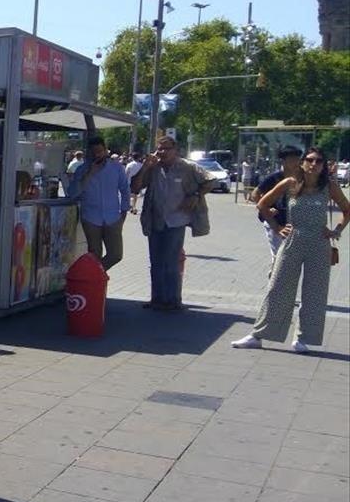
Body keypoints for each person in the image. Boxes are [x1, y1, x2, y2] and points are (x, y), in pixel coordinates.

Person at [233, 148, 350, 352]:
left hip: (318, 244)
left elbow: (347, 209)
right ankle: (258, 335)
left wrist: (337, 230)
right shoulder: (290, 183)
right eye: (310, 160)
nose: (314, 164)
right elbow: (262, 203)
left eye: (319, 161)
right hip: (292, 241)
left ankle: (303, 338)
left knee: (315, 293)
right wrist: (278, 227)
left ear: (324, 165)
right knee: (278, 288)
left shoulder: (329, 186)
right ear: (302, 163)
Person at [130, 136, 215, 311]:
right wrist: (145, 167)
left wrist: (196, 195)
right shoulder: (153, 168)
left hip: (176, 221)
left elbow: (212, 180)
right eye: (159, 149)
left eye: (166, 149)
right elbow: (135, 187)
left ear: (175, 150)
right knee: (156, 261)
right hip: (155, 220)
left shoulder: (187, 167)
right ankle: (157, 299)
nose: (162, 152)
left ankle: (173, 300)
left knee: (171, 261)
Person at [68, 136, 130, 270]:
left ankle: (94, 273)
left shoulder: (116, 168)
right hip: (91, 218)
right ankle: (94, 281)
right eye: (94, 152)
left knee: (116, 255)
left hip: (113, 218)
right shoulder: (82, 170)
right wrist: (90, 174)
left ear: (105, 151)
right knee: (94, 255)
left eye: (100, 151)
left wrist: (124, 213)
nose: (97, 155)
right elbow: (72, 193)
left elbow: (125, 189)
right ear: (89, 153)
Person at [251, 146, 303, 258]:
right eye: (292, 159)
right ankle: (275, 271)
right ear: (283, 161)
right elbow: (255, 194)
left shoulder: (300, 177)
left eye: (298, 159)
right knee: (279, 256)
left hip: (290, 221)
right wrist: (267, 209)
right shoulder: (274, 177)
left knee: (289, 255)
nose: (296, 162)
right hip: (274, 220)